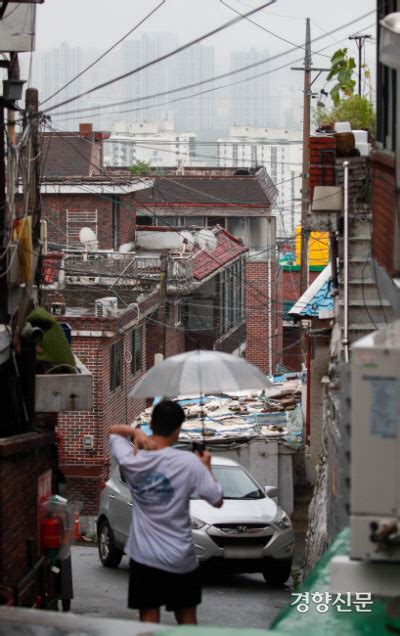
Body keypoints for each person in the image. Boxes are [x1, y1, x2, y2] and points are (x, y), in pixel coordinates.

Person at [109, 399, 223, 625]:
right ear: (178, 429)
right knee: (187, 620)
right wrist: (207, 468)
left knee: (148, 620)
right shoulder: (190, 463)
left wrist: (134, 433)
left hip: (144, 556)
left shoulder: (133, 460)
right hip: (181, 556)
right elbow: (216, 499)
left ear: (151, 424)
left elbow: (112, 431)